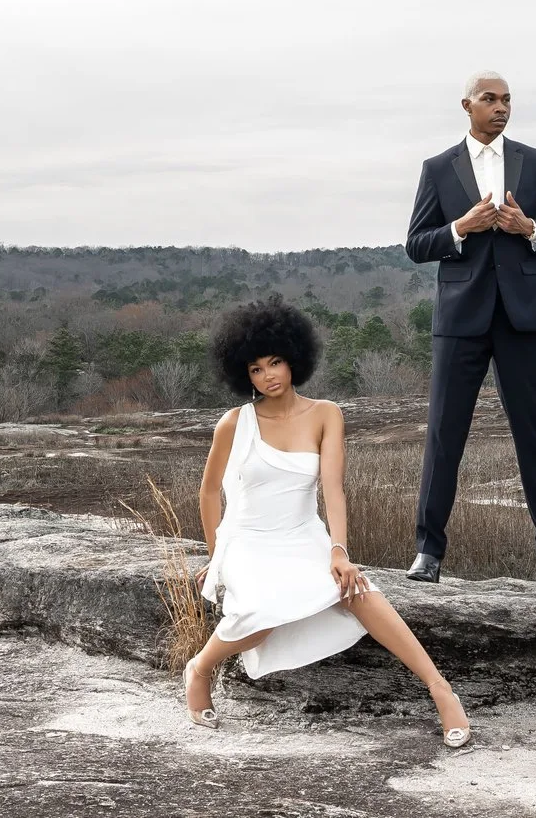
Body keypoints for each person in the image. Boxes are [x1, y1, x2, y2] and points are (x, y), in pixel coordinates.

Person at [183, 296, 473, 746]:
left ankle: (441, 690)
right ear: (243, 373)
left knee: (361, 592)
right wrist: (216, 556)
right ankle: (200, 669)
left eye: (276, 361)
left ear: (295, 357)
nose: (268, 375)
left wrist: (339, 551)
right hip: (248, 541)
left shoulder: (326, 414)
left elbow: (333, 489)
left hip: (302, 534)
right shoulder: (234, 422)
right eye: (256, 368)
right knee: (260, 613)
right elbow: (208, 492)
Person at [402, 70, 536, 590]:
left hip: (521, 317)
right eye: (490, 99)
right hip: (460, 319)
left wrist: (527, 228)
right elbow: (416, 244)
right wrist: (463, 227)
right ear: (467, 105)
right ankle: (428, 552)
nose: (501, 107)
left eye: (507, 100)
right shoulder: (438, 168)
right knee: (444, 434)